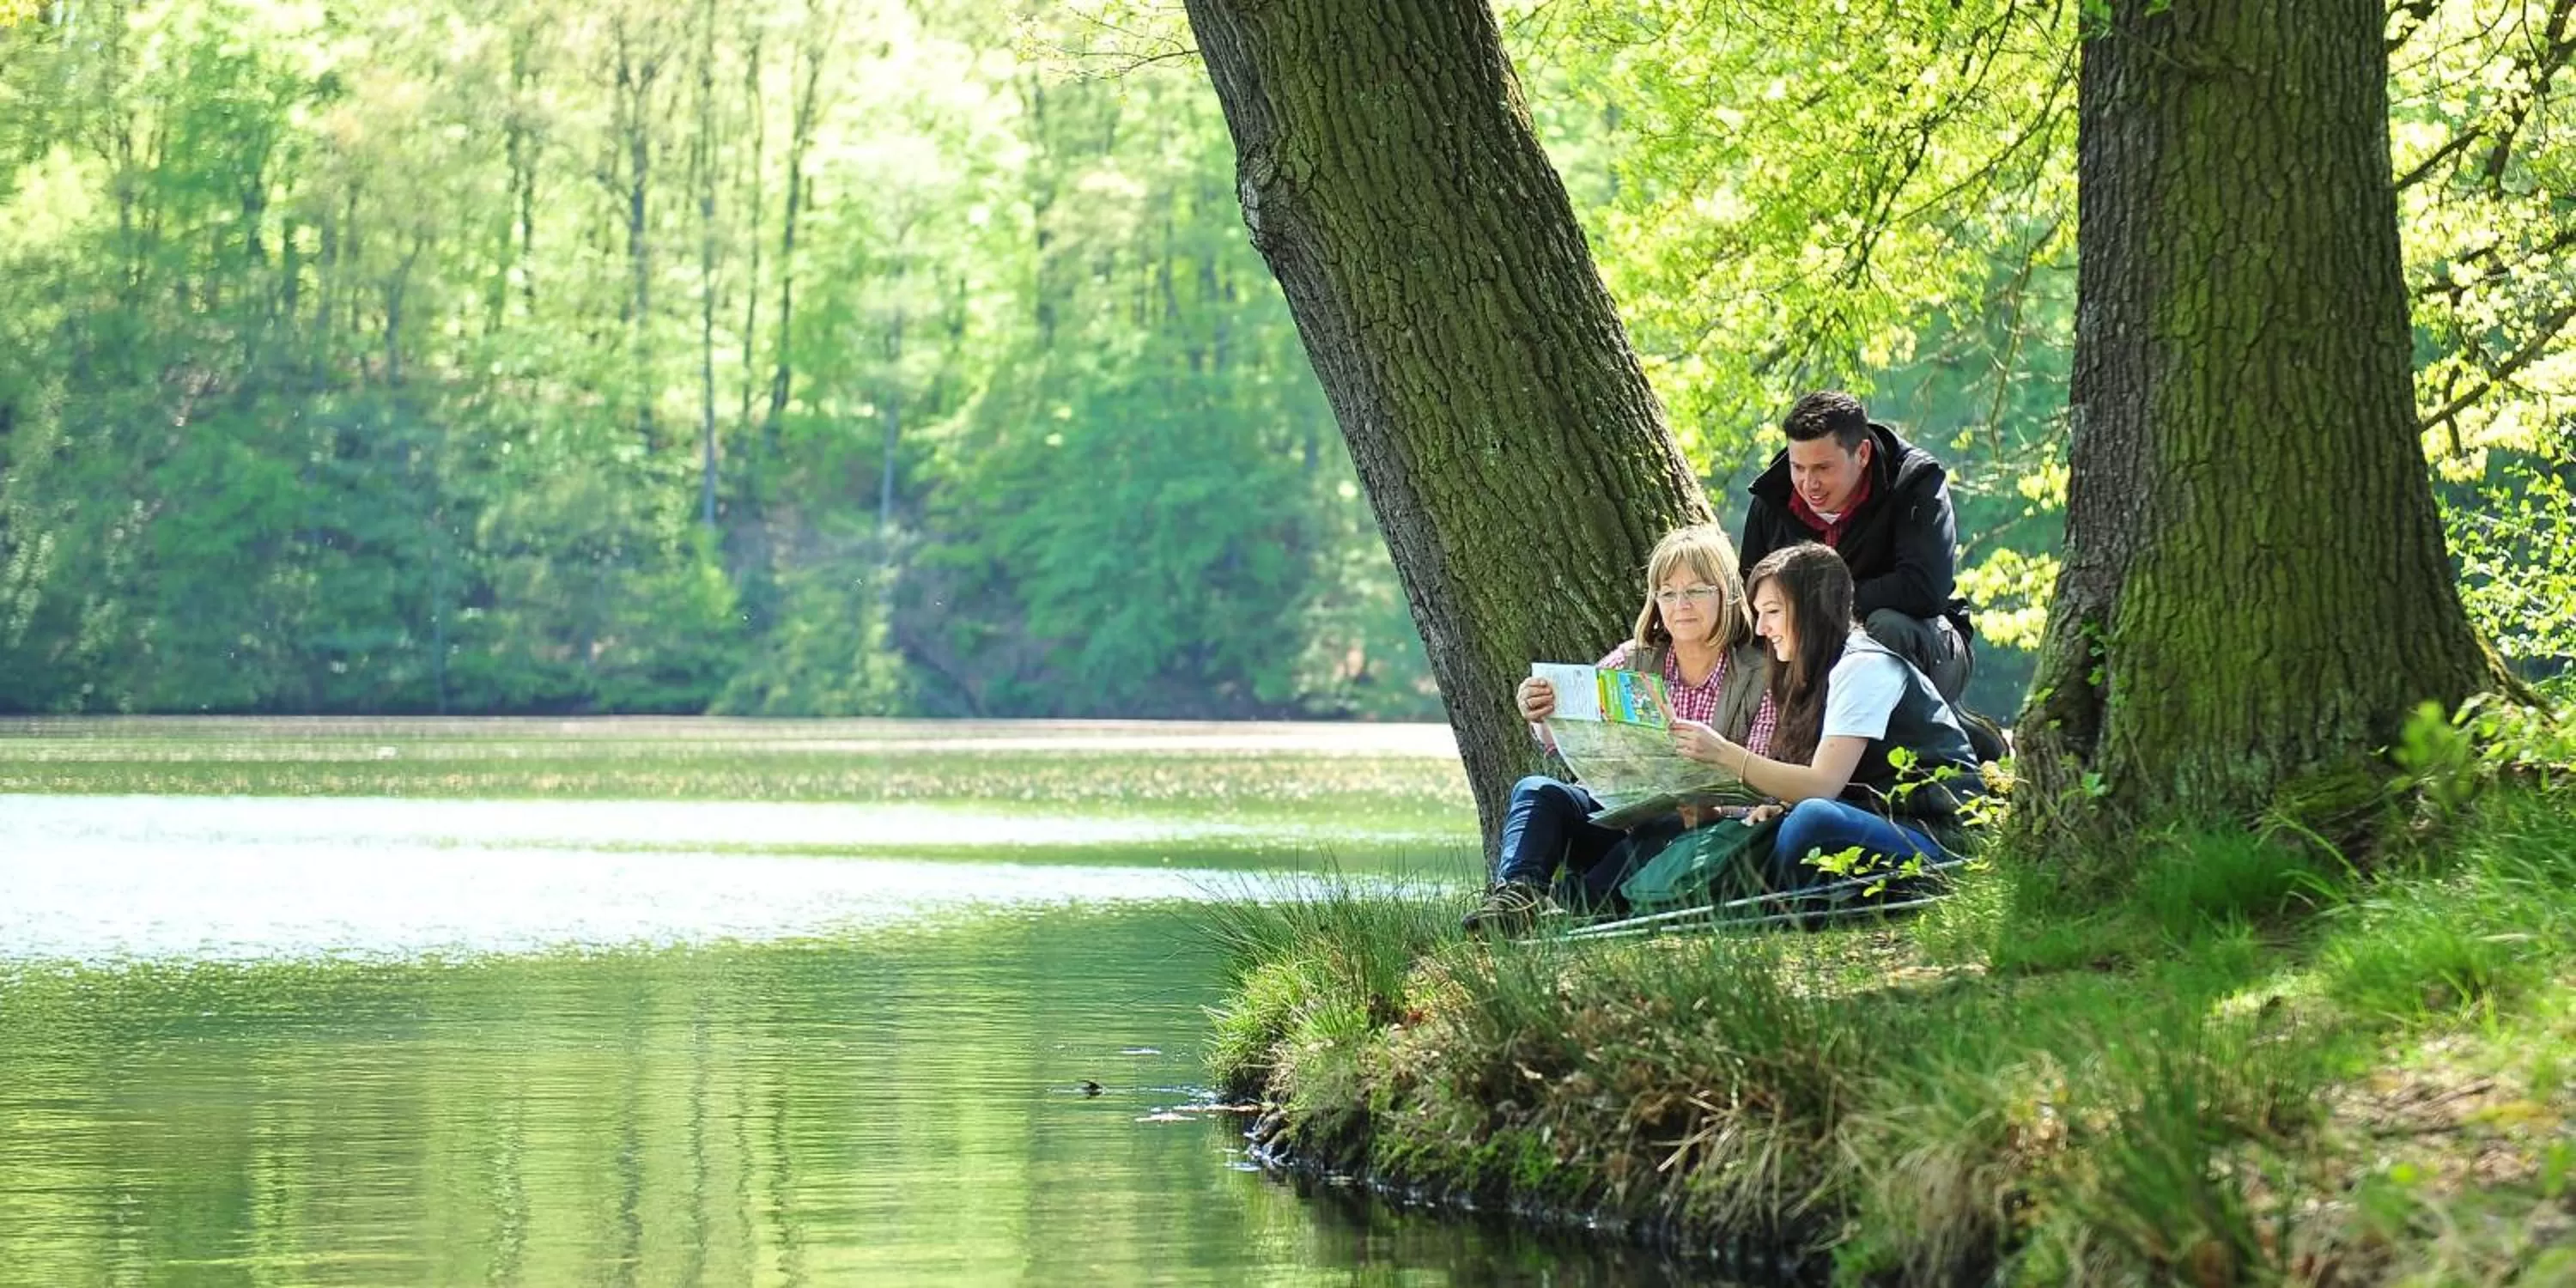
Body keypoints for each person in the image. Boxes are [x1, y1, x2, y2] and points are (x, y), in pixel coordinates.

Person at [1461, 525, 1778, 935]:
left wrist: (1716, 810)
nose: (1681, 604)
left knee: (1665, 824)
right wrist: (1541, 714)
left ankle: (1567, 909)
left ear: (1726, 594)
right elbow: (1559, 740)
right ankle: (1517, 894)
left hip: (1692, 834)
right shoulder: (1634, 659)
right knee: (1538, 790)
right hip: (1615, 818)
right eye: (1667, 592)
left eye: (1697, 590)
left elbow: (1764, 785)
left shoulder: (1759, 673)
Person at [1663, 543, 1984, 889]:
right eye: (1759, 614)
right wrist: (1779, 807)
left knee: (1812, 820)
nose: (1761, 629)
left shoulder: (1864, 666)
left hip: (1937, 837)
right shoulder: (1811, 673)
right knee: (1774, 824)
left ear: (1812, 610)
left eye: (1772, 611)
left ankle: (1770, 897)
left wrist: (1723, 753)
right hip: (1880, 822)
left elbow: (1823, 786)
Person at [1739, 390, 1978, 707]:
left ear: (1862, 454)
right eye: (1799, 467)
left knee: (1885, 627)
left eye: (1823, 468)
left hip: (1925, 645)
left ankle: (1917, 740)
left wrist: (1815, 606)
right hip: (1812, 651)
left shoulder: (1914, 482)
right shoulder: (1772, 498)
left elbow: (1924, 590)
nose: (1809, 484)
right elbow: (1750, 594)